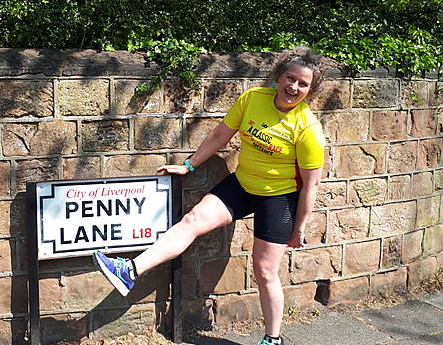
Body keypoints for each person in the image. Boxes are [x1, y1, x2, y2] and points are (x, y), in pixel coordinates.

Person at [93, 47, 327, 345]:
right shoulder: (253, 99)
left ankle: (273, 339)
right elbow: (220, 135)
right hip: (242, 184)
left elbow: (311, 185)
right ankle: (130, 269)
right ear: (279, 75)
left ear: (310, 90)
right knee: (192, 219)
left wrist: (300, 227)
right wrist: (188, 165)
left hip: (278, 198)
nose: (293, 87)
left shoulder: (308, 129)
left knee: (265, 271)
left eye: (302, 84)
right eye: (290, 78)